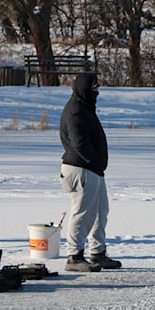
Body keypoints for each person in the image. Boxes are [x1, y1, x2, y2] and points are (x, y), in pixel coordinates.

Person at [59, 72, 122, 271]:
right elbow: (79, 143)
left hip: (93, 170)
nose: (97, 92)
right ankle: (74, 256)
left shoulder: (85, 108)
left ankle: (97, 252)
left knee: (100, 212)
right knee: (83, 213)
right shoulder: (76, 111)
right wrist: (93, 159)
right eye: (94, 89)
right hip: (81, 169)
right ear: (84, 89)